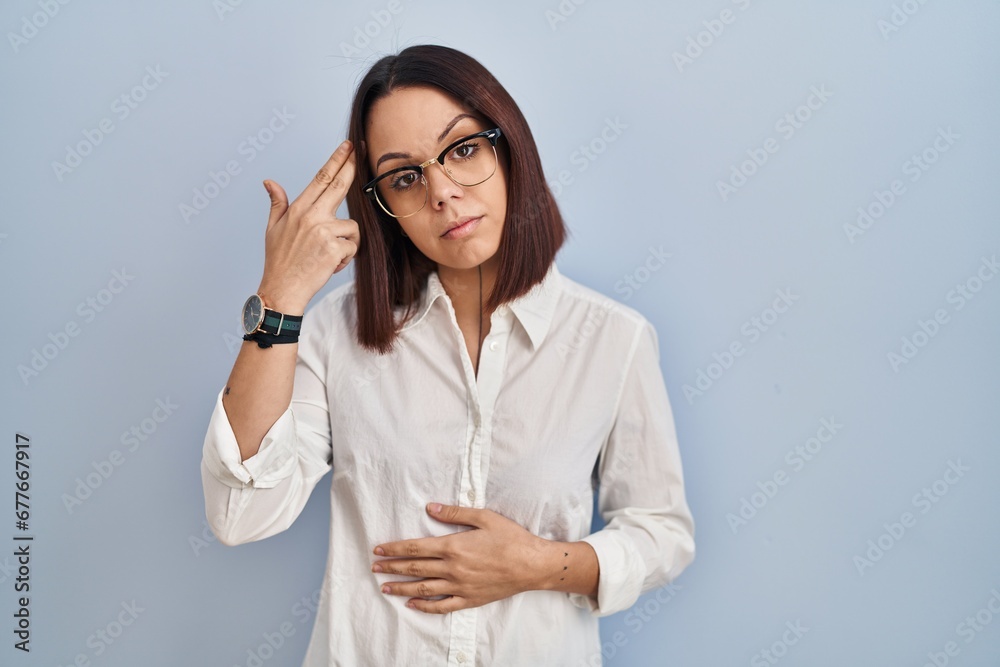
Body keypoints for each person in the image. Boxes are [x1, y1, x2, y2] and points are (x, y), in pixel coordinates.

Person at [200, 43, 695, 666]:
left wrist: (539, 565)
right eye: (405, 176)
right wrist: (281, 297)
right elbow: (240, 512)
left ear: (507, 147)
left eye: (463, 150)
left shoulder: (613, 340)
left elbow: (662, 533)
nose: (442, 192)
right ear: (383, 207)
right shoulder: (332, 334)